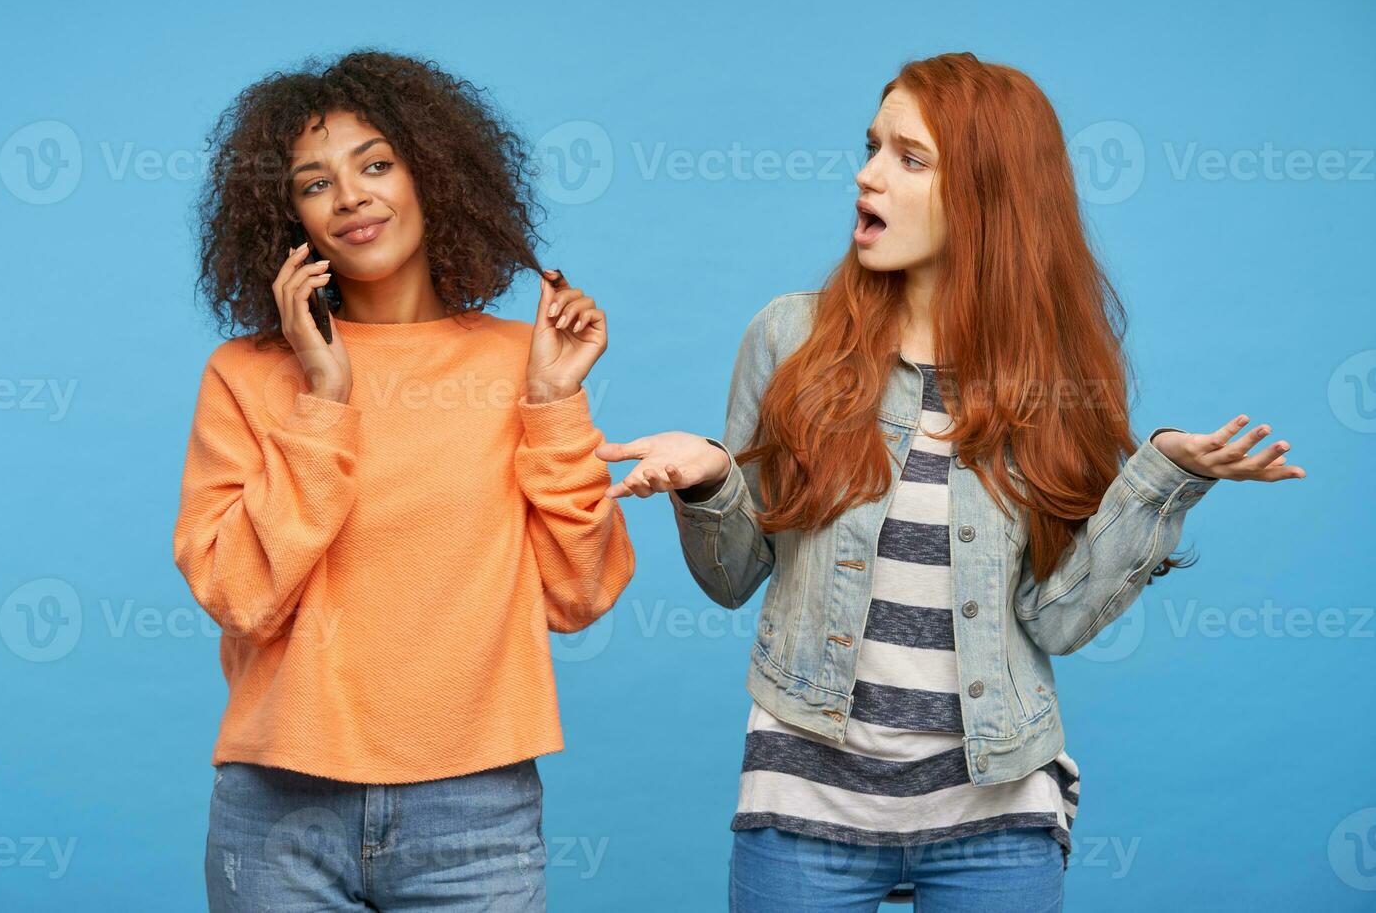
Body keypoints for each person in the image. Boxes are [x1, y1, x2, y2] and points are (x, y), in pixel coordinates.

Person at [596, 51, 1304, 912]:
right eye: (871, 147)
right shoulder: (790, 339)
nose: (867, 175)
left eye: (909, 157)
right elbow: (733, 576)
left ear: (987, 193)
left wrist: (1163, 478)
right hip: (804, 803)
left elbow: (1057, 617)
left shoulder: (1058, 375)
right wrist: (708, 481)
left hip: (996, 813)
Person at [172, 50, 635, 911]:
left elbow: (579, 593)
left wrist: (554, 406)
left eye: (376, 164)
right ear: (288, 220)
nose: (350, 196)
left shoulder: (515, 363)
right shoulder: (244, 373)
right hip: (279, 811)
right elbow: (243, 597)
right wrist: (326, 401)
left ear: (435, 175)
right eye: (316, 183)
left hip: (474, 809)